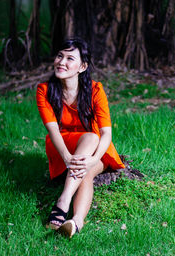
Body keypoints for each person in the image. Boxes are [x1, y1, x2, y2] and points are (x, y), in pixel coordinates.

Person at [36, 38, 125, 238]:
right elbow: (53, 131)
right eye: (60, 56)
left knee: (90, 156)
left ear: (82, 67)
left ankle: (74, 221)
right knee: (89, 145)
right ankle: (66, 204)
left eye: (70, 58)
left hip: (97, 151)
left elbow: (106, 134)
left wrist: (93, 159)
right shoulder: (45, 90)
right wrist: (67, 157)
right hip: (62, 147)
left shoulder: (95, 90)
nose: (61, 62)